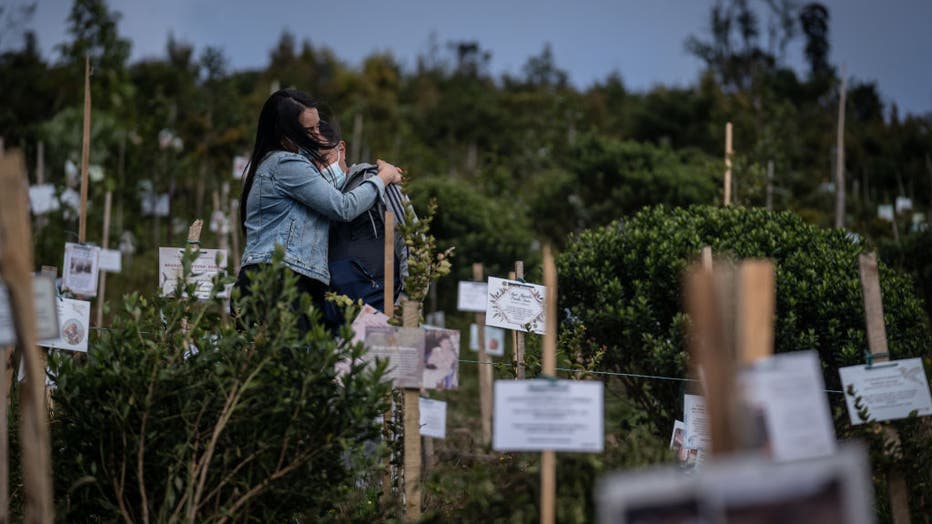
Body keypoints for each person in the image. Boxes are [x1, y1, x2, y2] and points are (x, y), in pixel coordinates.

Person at [233, 88, 403, 334]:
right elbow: (343, 206)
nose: (316, 135)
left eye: (318, 127)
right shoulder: (285, 164)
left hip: (287, 282)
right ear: (285, 135)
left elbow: (329, 192)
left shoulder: (278, 166)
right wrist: (382, 178)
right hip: (276, 282)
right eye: (308, 131)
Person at [311, 124, 414, 328]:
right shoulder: (314, 201)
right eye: (312, 163)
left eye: (324, 158)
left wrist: (405, 309)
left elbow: (413, 243)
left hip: (381, 319)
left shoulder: (379, 181)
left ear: (341, 149)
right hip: (331, 326)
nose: (321, 168)